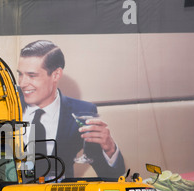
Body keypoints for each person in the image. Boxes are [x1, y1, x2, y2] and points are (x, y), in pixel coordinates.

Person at [17, 40, 125, 179]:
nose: (22, 83)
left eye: (32, 75)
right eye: (20, 74)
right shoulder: (2, 104)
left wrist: (109, 148)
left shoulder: (82, 111)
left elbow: (110, 176)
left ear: (56, 74)